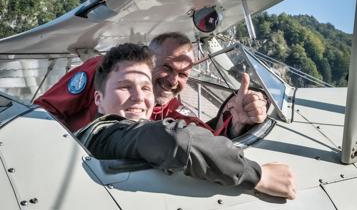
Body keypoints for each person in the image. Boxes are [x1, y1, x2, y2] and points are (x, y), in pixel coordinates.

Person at [76, 43, 296, 200]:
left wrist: (236, 126)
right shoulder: (102, 133)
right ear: (99, 100)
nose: (139, 97)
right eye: (124, 87)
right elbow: (174, 139)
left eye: (145, 88)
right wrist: (258, 175)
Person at [34, 32, 268, 136]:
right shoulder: (102, 69)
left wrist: (237, 125)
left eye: (184, 74)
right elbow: (44, 112)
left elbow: (209, 141)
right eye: (166, 67)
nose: (173, 81)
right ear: (148, 61)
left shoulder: (173, 117)